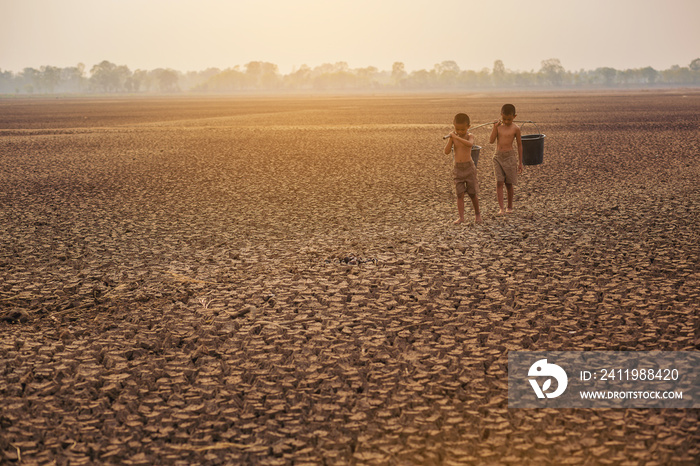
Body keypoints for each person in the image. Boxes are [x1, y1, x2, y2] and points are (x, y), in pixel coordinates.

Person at [444, 113, 482, 224]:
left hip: (469, 167)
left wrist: (456, 137)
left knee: (472, 193)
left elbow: (469, 145)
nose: (460, 132)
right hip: (458, 168)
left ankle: (477, 214)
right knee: (459, 194)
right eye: (457, 129)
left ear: (468, 127)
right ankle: (461, 217)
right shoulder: (454, 138)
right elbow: (446, 151)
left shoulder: (470, 136)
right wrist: (451, 139)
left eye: (462, 129)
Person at [489, 104, 523, 214]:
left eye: (509, 119)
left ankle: (509, 207)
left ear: (514, 117)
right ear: (501, 116)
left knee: (509, 183)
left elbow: (519, 145)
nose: (506, 121)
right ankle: (501, 208)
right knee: (499, 182)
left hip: (510, 157)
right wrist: (495, 127)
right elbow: (491, 140)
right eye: (504, 119)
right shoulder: (498, 127)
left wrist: (520, 163)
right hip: (498, 156)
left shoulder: (516, 129)